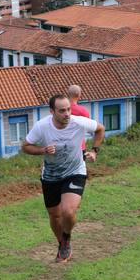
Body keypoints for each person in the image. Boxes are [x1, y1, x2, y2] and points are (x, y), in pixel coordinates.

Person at [22, 94, 105, 263]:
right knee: (55, 216)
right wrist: (43, 150)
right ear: (52, 111)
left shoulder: (78, 122)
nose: (67, 113)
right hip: (51, 175)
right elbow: (25, 146)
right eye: (62, 111)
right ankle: (62, 244)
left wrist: (94, 150)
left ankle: (66, 238)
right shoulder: (42, 126)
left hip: (75, 171)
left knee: (68, 211)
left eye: (68, 109)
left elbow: (100, 129)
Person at [67, 85, 90, 152]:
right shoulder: (83, 111)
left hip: (63, 145)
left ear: (68, 94)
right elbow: (87, 127)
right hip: (79, 146)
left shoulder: (61, 109)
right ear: (79, 95)